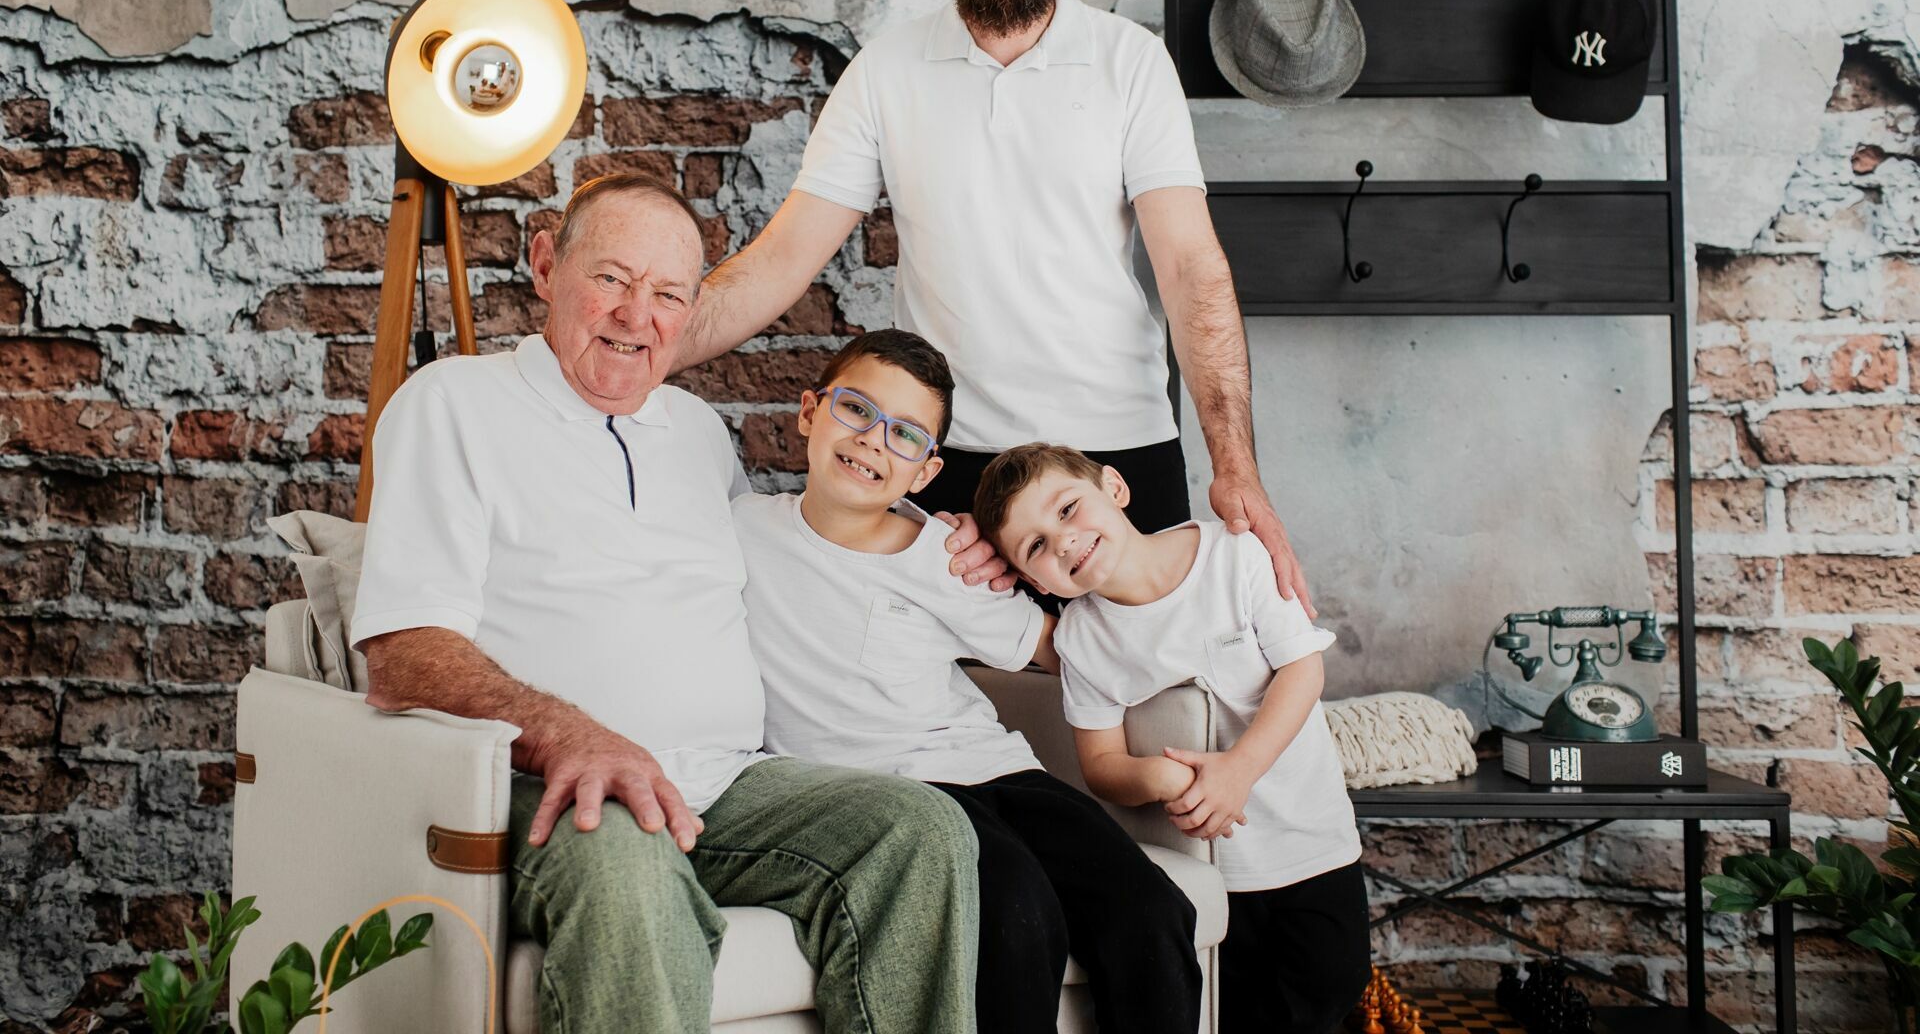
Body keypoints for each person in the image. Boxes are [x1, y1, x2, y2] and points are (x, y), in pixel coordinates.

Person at [348, 171, 980, 1034]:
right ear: (544, 266)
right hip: (551, 785)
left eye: (668, 294)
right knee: (627, 857)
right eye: (610, 278)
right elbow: (404, 654)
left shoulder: (694, 431)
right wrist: (576, 735)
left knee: (918, 830)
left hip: (726, 782)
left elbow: (794, 558)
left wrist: (942, 552)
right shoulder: (452, 404)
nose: (635, 314)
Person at [676, 0, 1314, 612]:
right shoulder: (885, 72)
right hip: (952, 465)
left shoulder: (1130, 62)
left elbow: (1190, 266)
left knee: (1148, 713)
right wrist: (644, 349)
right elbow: (783, 258)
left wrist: (1235, 464)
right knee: (982, 717)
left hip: (1118, 453)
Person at [730, 328, 1204, 1034]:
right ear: (808, 412)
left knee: (1155, 912)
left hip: (1001, 774)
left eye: (905, 437)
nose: (872, 443)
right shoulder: (738, 531)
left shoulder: (944, 557)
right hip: (891, 803)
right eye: (856, 410)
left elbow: (1059, 651)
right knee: (1016, 912)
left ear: (924, 473)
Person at [974, 443, 1370, 1034]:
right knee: (1229, 1013)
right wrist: (1155, 777)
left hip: (1309, 843)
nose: (1062, 542)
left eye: (1066, 509)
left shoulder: (1234, 555)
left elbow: (1302, 671)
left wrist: (1238, 769)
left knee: (1328, 986)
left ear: (1114, 487)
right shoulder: (1083, 639)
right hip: (1213, 875)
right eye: (1036, 547)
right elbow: (1101, 764)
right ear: (1033, 578)